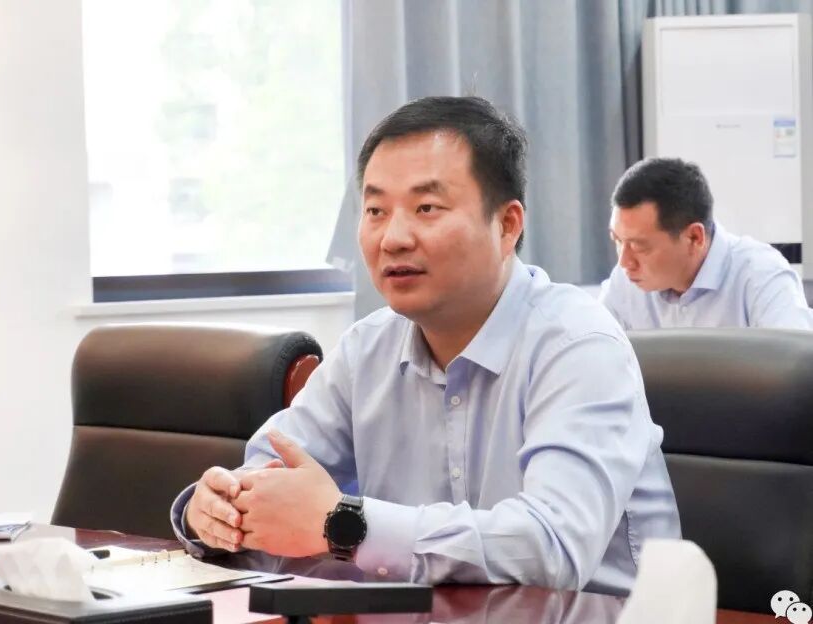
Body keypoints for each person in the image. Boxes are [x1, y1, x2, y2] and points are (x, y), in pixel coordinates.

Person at [170, 96, 680, 596]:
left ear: (507, 225)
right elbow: (271, 484)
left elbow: (552, 548)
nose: (393, 237)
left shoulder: (579, 345)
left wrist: (345, 524)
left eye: (426, 208)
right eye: (375, 210)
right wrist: (214, 513)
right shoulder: (366, 349)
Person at [600, 157, 813, 330]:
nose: (625, 262)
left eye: (640, 246)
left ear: (695, 237)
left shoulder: (760, 274)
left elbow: (794, 364)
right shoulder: (625, 282)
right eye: (618, 241)